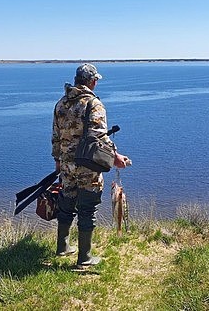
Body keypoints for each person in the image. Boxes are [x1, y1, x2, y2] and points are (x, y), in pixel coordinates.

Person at [51, 63, 130, 267]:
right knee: (87, 208)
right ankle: (84, 258)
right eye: (96, 80)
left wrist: (58, 161)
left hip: (67, 165)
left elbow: (56, 137)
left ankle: (63, 247)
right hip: (87, 165)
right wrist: (116, 157)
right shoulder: (93, 104)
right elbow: (99, 138)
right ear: (91, 81)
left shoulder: (61, 103)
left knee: (66, 204)